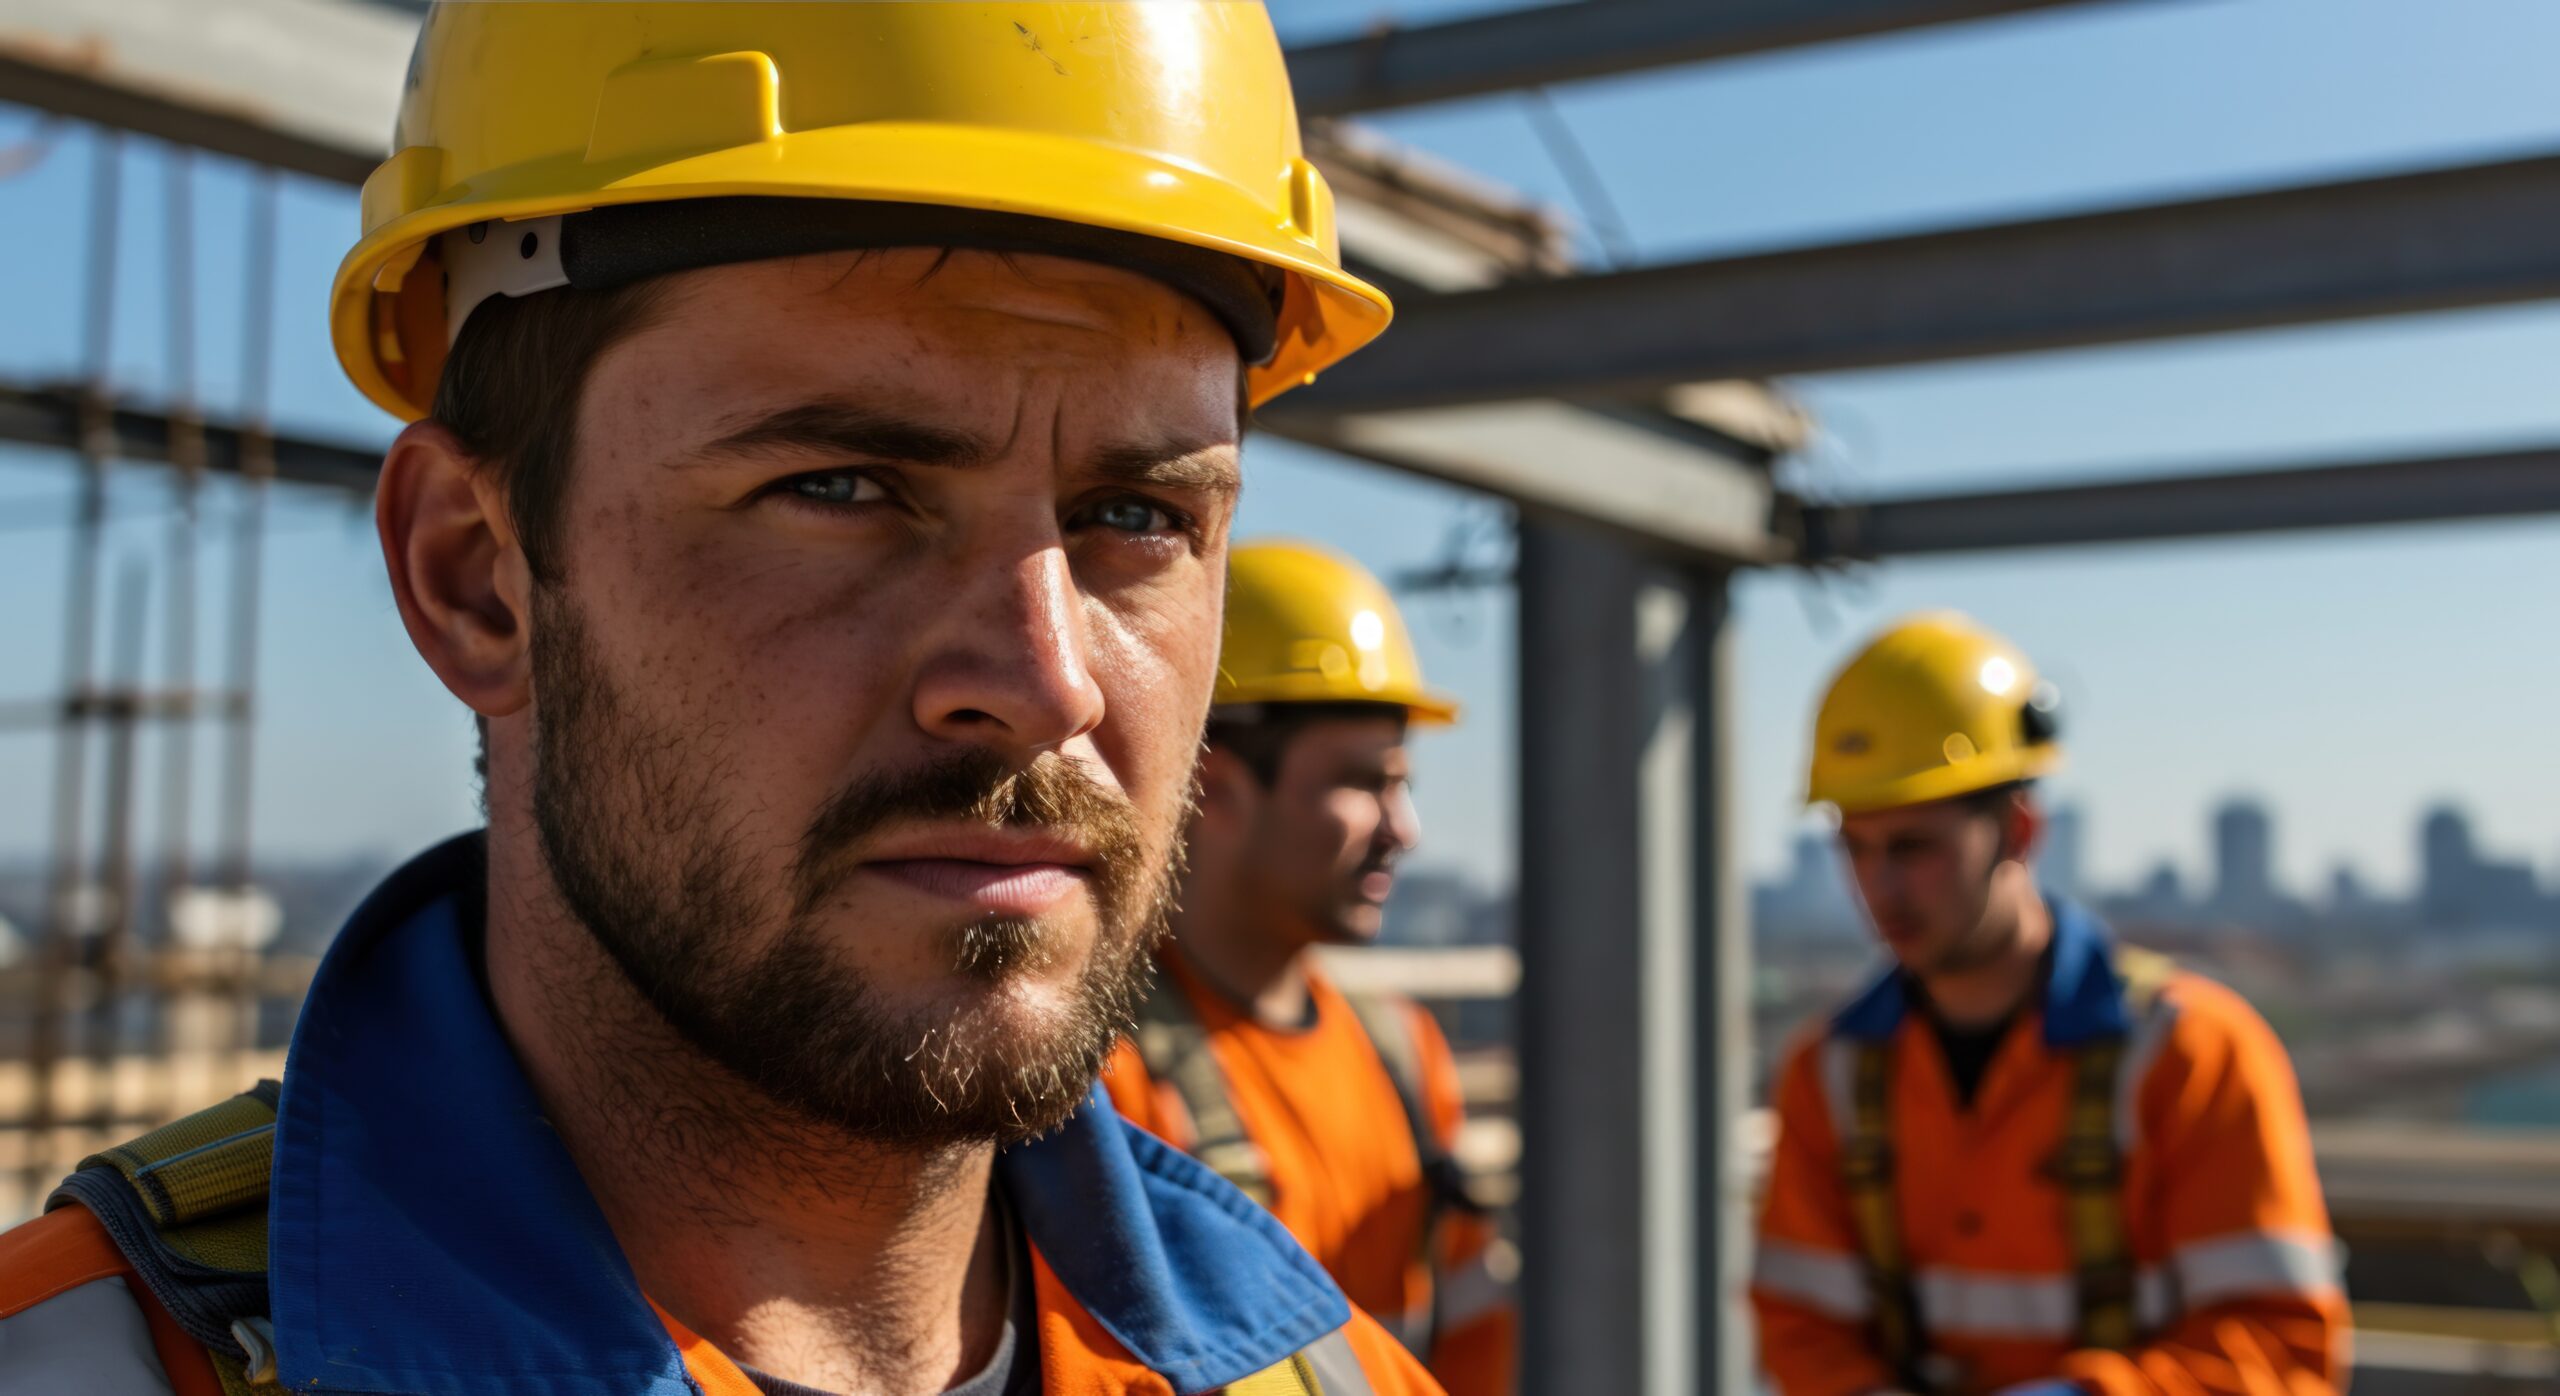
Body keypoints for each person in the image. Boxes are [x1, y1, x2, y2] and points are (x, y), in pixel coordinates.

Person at [0, 6, 1445, 1394]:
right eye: (840, 488)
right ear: (477, 581)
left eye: (1134, 515)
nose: (1041, 680)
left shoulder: (1323, 1375)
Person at [1751, 613, 2346, 1396]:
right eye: (1855, 847)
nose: (1880, 887)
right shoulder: (1829, 1075)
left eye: (1913, 846)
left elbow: (2278, 1349)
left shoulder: (2191, 1051)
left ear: (2018, 829)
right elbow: (1800, 1331)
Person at [1102, 541, 1517, 1396]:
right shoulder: (1105, 1071)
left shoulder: (1404, 1052)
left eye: (1403, 785)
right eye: (1366, 782)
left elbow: (1470, 1335)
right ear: (1216, 788)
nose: (1405, 829)